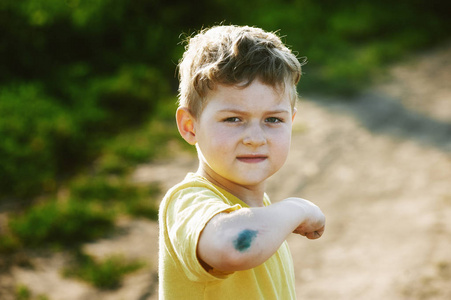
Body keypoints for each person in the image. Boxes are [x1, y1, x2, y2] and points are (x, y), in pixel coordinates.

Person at [158, 25, 325, 299]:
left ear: (291, 123)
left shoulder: (262, 213)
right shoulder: (188, 201)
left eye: (273, 119)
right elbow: (235, 247)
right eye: (233, 119)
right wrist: (298, 207)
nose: (255, 138)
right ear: (190, 126)